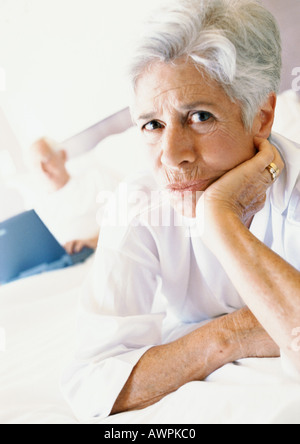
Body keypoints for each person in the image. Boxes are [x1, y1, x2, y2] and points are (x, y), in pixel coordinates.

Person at [62, 0, 300, 421]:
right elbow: (91, 383)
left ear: (261, 117)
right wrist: (232, 335)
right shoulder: (138, 202)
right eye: (152, 125)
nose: (172, 157)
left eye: (200, 116)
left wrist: (220, 220)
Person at [26, 138, 120, 254]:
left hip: (103, 250)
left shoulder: (96, 179)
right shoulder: (36, 207)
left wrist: (94, 240)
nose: (42, 170)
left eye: (45, 160)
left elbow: (126, 214)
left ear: (62, 155)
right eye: (35, 165)